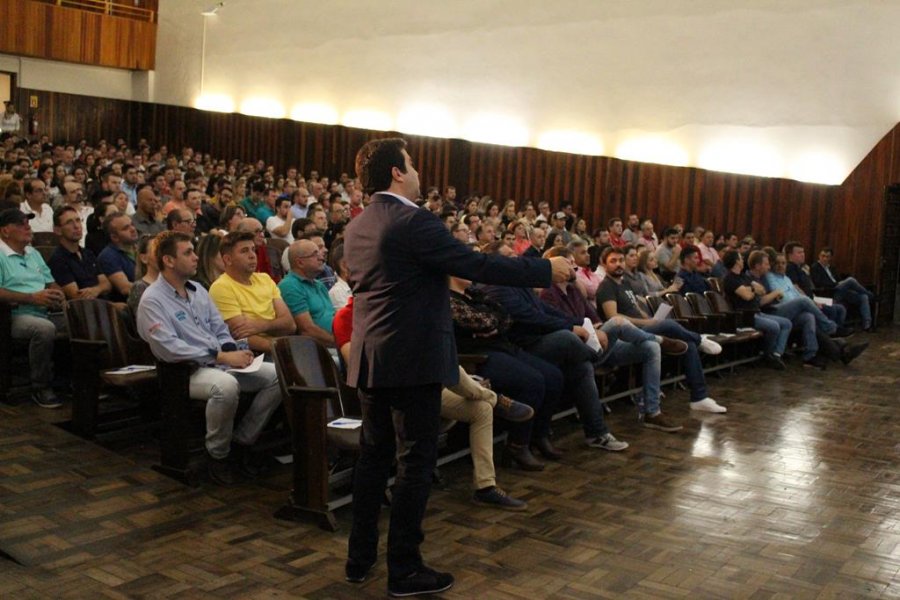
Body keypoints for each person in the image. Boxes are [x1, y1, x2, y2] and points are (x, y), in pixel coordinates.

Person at [342, 138, 572, 596]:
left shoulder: (360, 224)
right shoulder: (412, 219)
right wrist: (543, 271)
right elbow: (474, 263)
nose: (418, 171)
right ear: (396, 173)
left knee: (373, 459)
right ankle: (405, 569)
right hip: (413, 359)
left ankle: (359, 558)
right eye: (412, 163)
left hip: (372, 356)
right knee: (415, 462)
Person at [136, 231, 283, 486]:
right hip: (184, 371)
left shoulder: (198, 291)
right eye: (188, 253)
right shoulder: (152, 299)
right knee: (225, 387)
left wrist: (235, 351)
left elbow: (219, 328)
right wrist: (221, 355)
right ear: (169, 261)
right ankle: (218, 455)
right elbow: (170, 348)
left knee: (278, 376)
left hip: (219, 361)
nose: (196, 257)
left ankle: (242, 440)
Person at [597, 246, 726, 418]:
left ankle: (699, 397)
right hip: (627, 335)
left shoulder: (625, 284)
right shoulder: (606, 286)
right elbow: (613, 316)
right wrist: (649, 322)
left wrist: (651, 318)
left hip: (643, 327)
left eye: (621, 260)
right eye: (613, 261)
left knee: (687, 346)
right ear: (604, 264)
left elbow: (635, 309)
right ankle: (699, 339)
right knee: (669, 325)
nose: (619, 264)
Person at [0, 208, 66, 408]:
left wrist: (57, 293)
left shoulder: (33, 252)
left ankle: (74, 380)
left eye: (28, 223)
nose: (28, 227)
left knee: (81, 319)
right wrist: (31, 298)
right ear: (5, 231)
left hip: (46, 309)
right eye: (20, 224)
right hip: (14, 314)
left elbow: (50, 282)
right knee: (44, 329)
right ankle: (41, 386)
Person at [208, 231, 295, 354]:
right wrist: (281, 348)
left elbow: (289, 324)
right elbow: (242, 336)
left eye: (253, 249)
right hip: (253, 355)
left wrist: (261, 326)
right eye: (244, 251)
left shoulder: (265, 278)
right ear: (227, 259)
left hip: (278, 347)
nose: (252, 255)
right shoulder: (221, 287)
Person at [721, 250, 791, 370]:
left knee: (786, 323)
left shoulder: (743, 276)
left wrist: (750, 289)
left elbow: (762, 290)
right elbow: (747, 295)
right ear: (737, 261)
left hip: (756, 312)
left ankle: (776, 354)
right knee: (774, 326)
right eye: (740, 258)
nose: (743, 260)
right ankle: (767, 354)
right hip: (744, 316)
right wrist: (752, 289)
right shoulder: (730, 279)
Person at [278, 239, 335, 348]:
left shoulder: (319, 285)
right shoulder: (289, 286)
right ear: (300, 262)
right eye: (315, 254)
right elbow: (306, 330)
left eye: (319, 253)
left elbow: (331, 315)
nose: (321, 258)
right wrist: (340, 343)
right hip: (316, 348)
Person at [48, 206, 112, 301]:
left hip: (102, 303)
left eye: (78, 220)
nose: (76, 226)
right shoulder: (58, 259)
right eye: (69, 222)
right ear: (58, 230)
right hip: (84, 310)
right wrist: (99, 290)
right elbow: (77, 295)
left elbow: (107, 284)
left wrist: (96, 290)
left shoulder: (88, 253)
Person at [810, 247, 874, 330]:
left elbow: (838, 279)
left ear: (830, 258)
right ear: (819, 256)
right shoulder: (815, 267)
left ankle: (867, 324)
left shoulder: (832, 268)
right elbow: (818, 283)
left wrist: (840, 283)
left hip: (840, 290)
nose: (825, 258)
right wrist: (836, 284)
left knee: (863, 297)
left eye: (827, 256)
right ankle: (870, 294)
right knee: (851, 280)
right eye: (823, 256)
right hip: (830, 292)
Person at [96, 212, 139, 302]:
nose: (133, 229)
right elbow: (125, 288)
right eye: (126, 228)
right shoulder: (108, 256)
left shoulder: (140, 248)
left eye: (132, 225)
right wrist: (155, 290)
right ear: (114, 237)